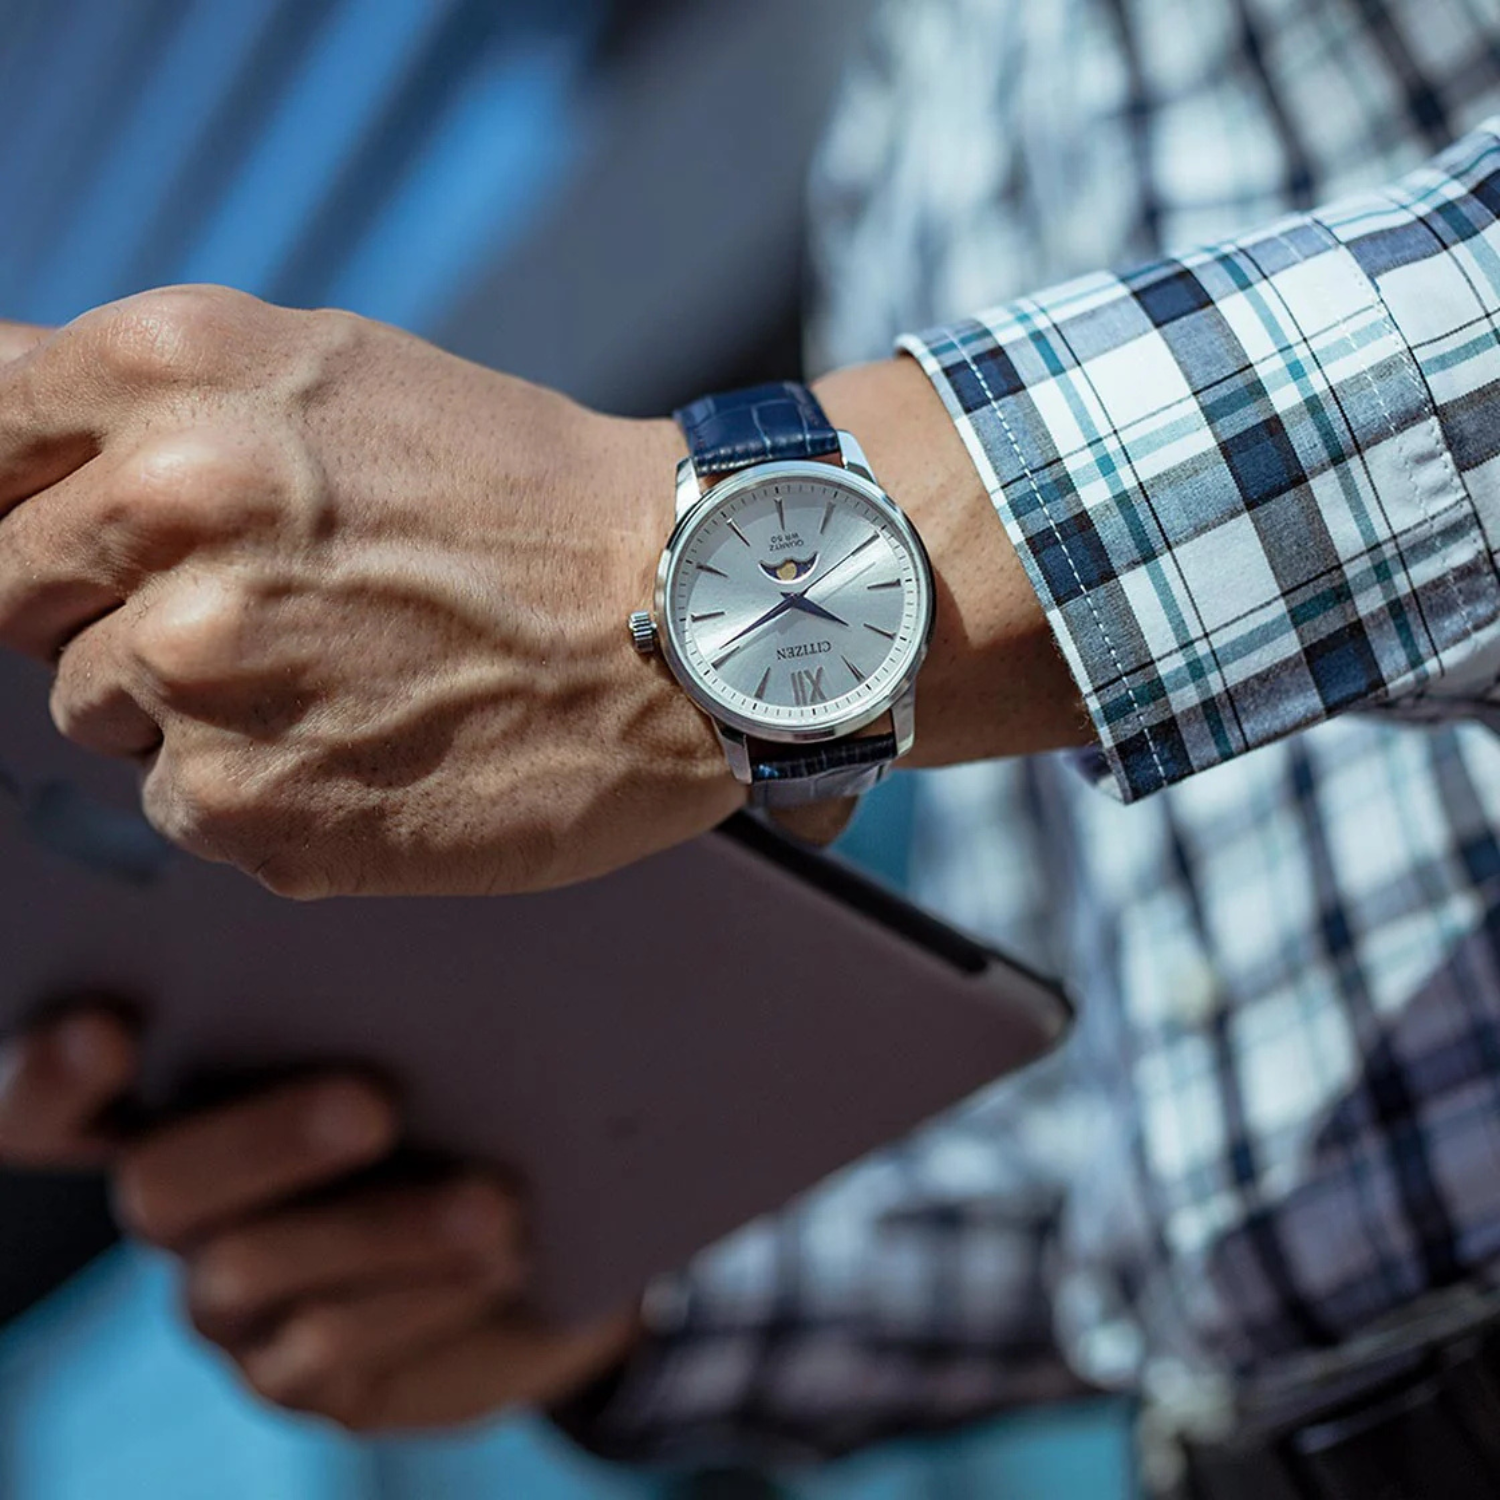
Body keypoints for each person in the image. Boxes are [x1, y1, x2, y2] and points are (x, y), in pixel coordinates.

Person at [5, 0, 1500, 1492]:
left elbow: (816, 595)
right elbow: (1144, 1181)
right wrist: (574, 1280)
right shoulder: (919, 114)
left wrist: (657, 558)